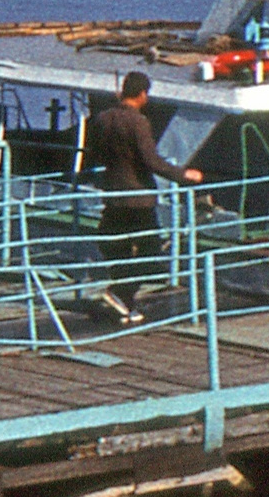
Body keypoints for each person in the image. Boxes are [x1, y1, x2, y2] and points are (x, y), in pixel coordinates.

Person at [83, 74, 202, 320]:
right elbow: (151, 160)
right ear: (142, 94)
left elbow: (94, 152)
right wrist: (183, 174)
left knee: (118, 247)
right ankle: (120, 292)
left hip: (113, 193)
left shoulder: (102, 119)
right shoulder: (138, 122)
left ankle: (124, 302)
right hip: (139, 197)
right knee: (150, 249)